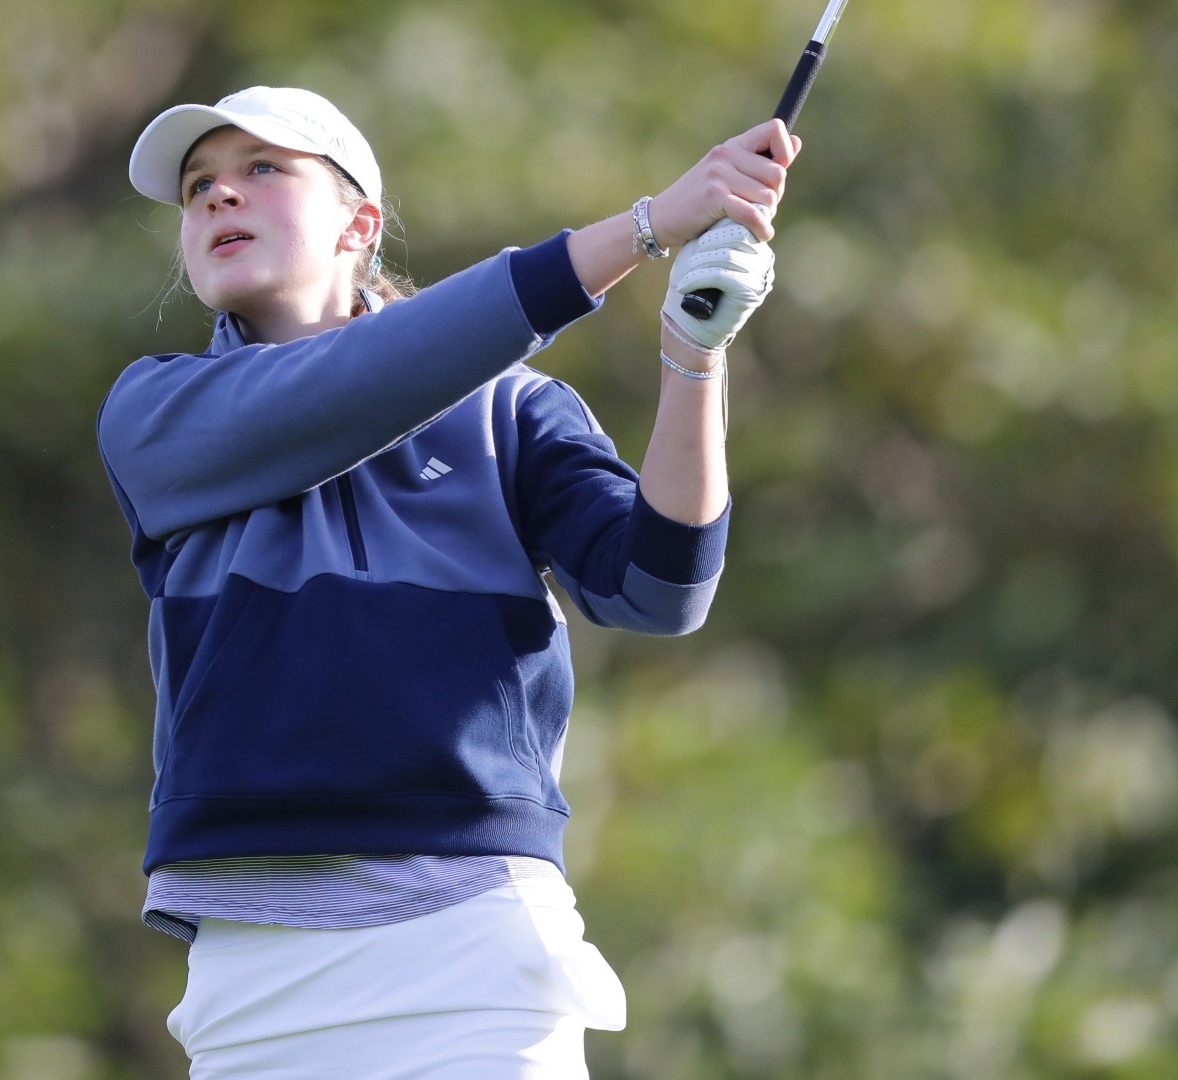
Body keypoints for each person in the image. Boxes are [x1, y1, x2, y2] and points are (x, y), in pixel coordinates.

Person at [99, 85, 797, 1078]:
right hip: (254, 977)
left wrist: (695, 359)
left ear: (361, 224)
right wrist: (645, 229)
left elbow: (659, 585)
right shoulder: (155, 414)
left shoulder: (508, 411)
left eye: (263, 169)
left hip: (472, 950)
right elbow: (359, 382)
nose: (218, 197)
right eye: (199, 185)